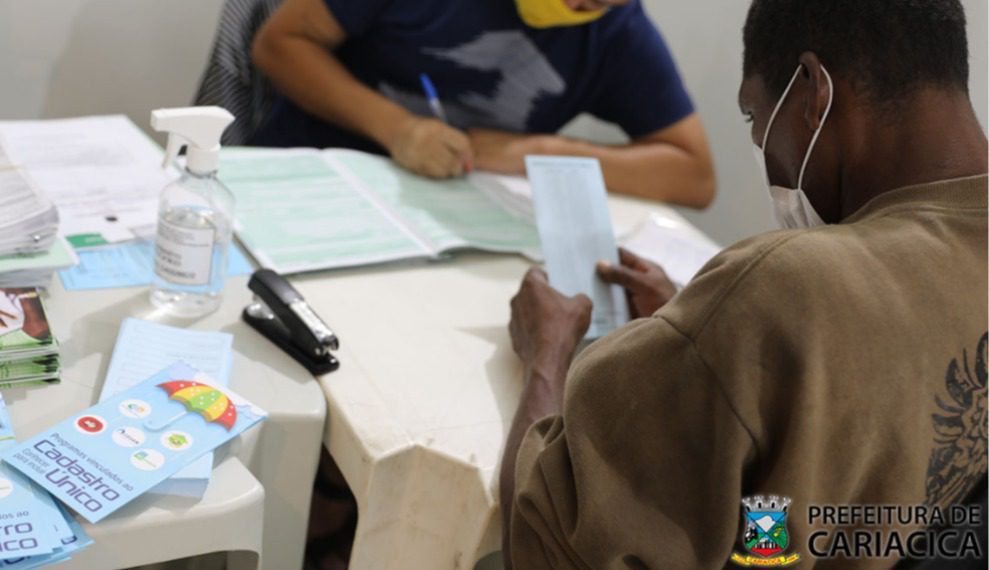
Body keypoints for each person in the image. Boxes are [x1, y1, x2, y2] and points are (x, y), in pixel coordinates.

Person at [501, 0, 988, 567]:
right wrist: (700, 334)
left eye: (754, 117)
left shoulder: (780, 289)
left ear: (812, 91)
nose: (760, 147)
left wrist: (547, 353)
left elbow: (538, 545)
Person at [250, 0, 715, 207]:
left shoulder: (617, 32)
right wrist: (397, 129)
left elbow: (694, 177)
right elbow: (280, 43)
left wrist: (541, 152)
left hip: (448, 226)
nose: (574, 4)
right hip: (310, 180)